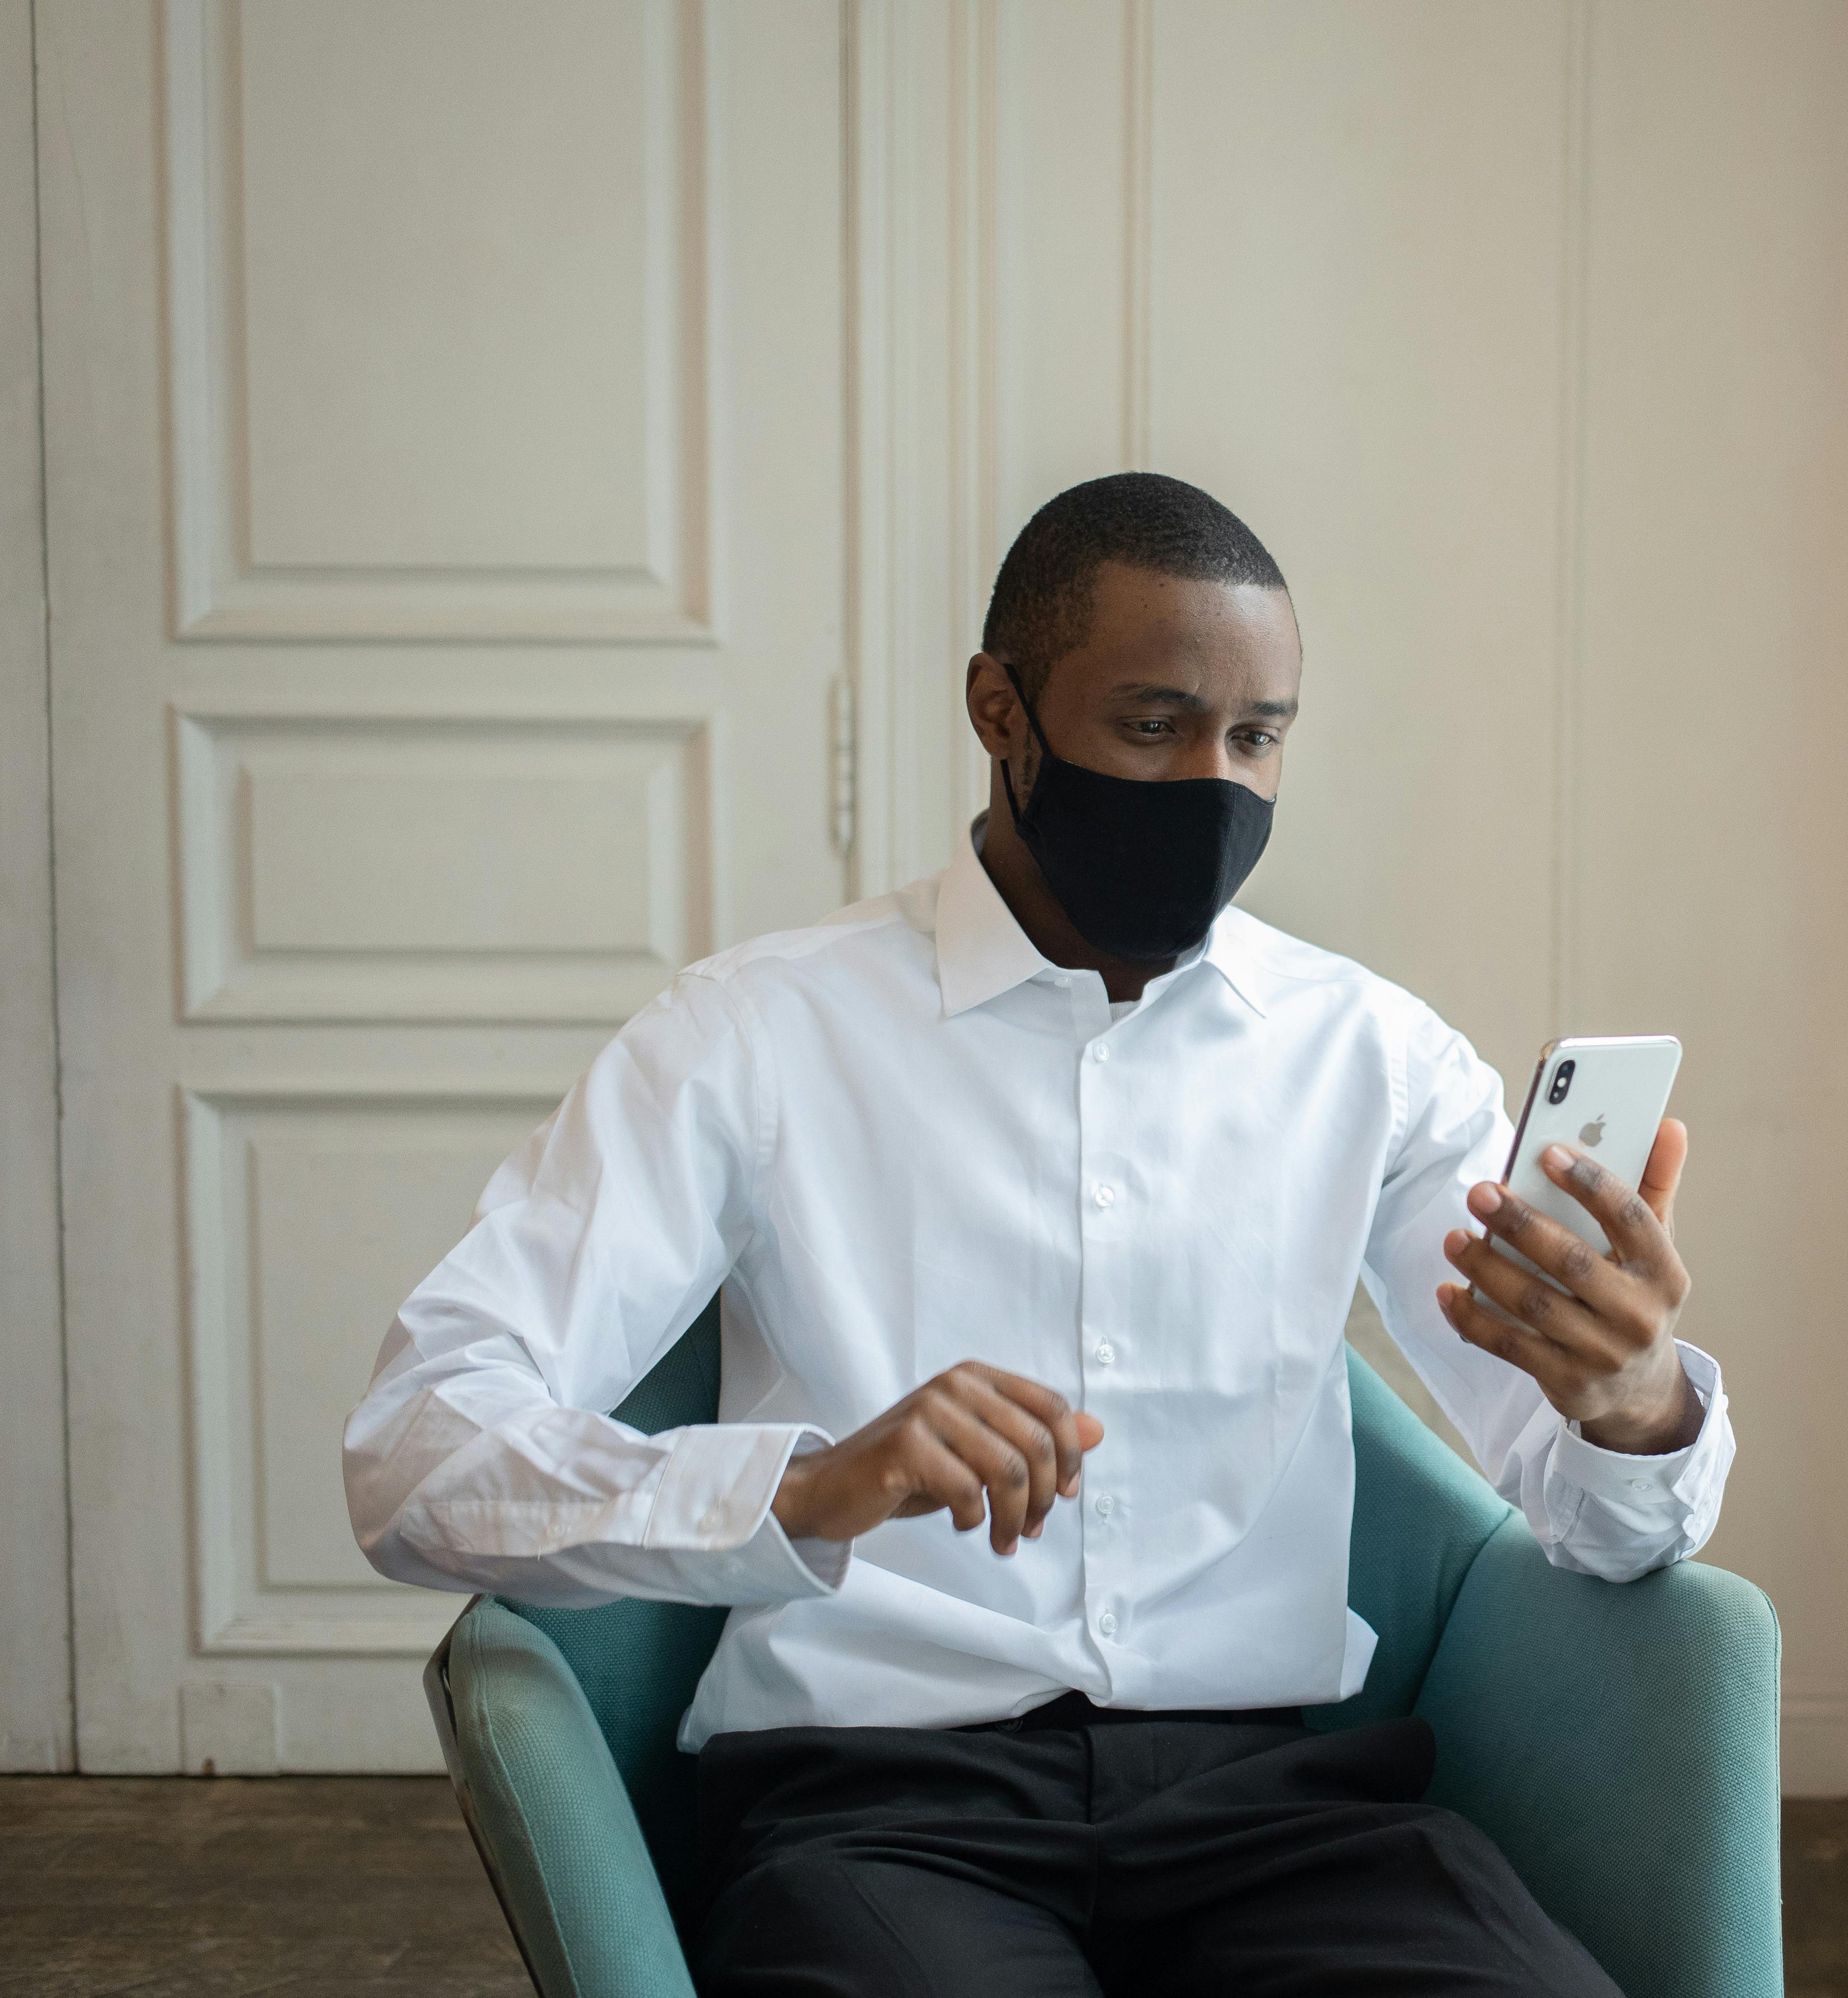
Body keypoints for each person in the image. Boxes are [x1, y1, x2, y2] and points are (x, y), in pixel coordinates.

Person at [343, 472, 1738, 1995]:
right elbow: (413, 1451)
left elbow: (1606, 1535)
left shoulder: (1372, 1058)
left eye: (1257, 737)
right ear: (1000, 711)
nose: (1213, 782)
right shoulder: (750, 1039)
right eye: (1152, 723)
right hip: (879, 1809)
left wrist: (1632, 1407)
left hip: (1278, 1813)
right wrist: (811, 1484)